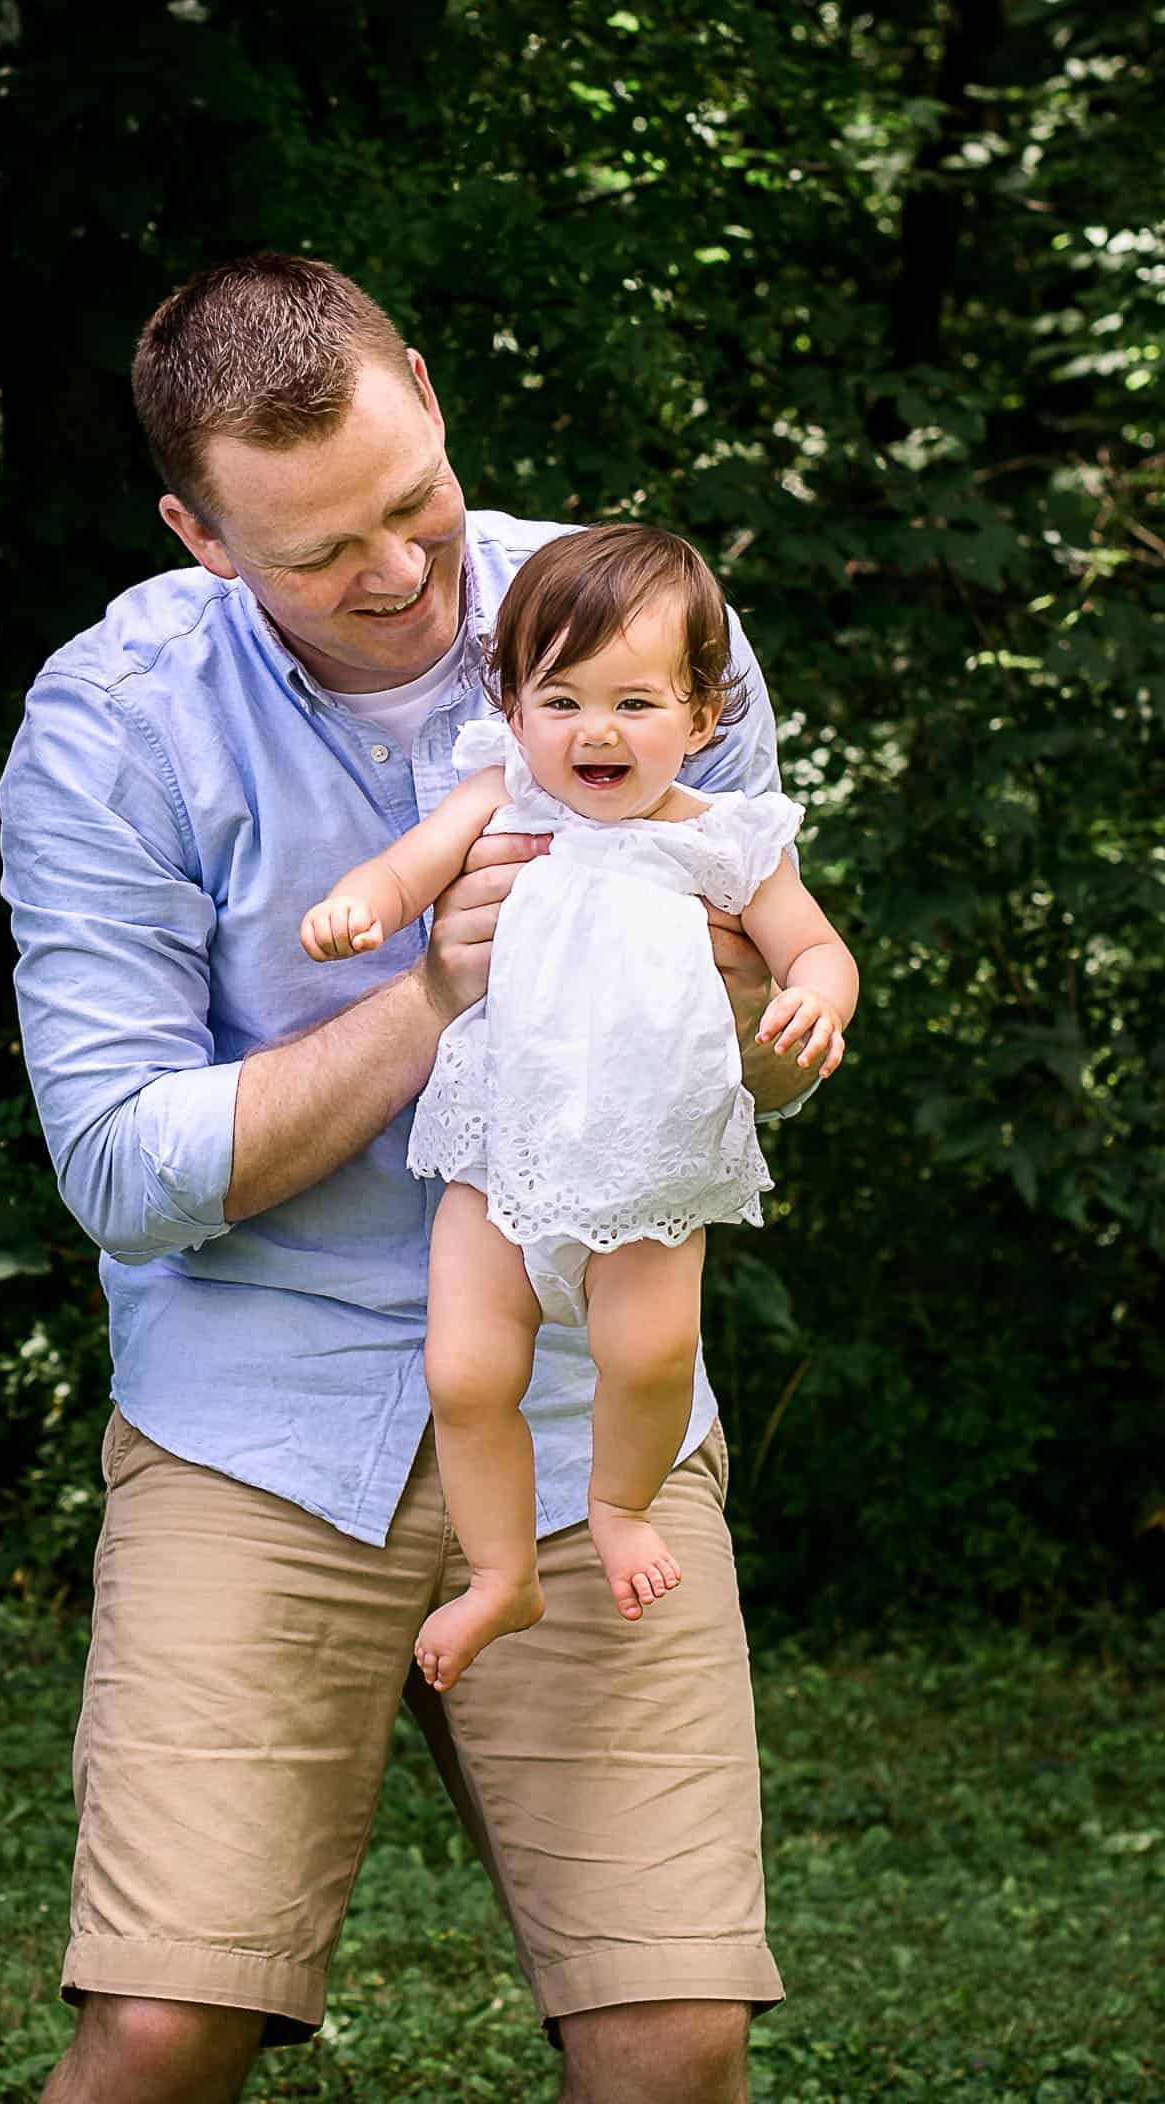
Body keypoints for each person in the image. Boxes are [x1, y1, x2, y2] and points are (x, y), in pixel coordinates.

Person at [0, 252, 812, 2104]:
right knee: (157, 2022)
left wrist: (756, 987)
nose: (394, 574)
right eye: (311, 552)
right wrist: (435, 995)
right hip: (253, 1417)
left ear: (431, 397)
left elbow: (753, 983)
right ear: (199, 533)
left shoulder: (635, 619)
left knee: (674, 2033)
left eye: (411, 506)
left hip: (576, 1409)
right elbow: (125, 1169)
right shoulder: (112, 722)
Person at [301, 522, 857, 1696]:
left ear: (701, 719)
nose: (594, 731)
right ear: (510, 709)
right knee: (462, 1371)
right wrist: (360, 902)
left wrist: (812, 996)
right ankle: (501, 1573)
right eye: (559, 698)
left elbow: (813, 946)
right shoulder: (502, 800)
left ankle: (614, 1505)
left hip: (646, 1166)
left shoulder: (723, 840)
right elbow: (405, 871)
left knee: (646, 1354)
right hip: (498, 1161)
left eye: (634, 702)